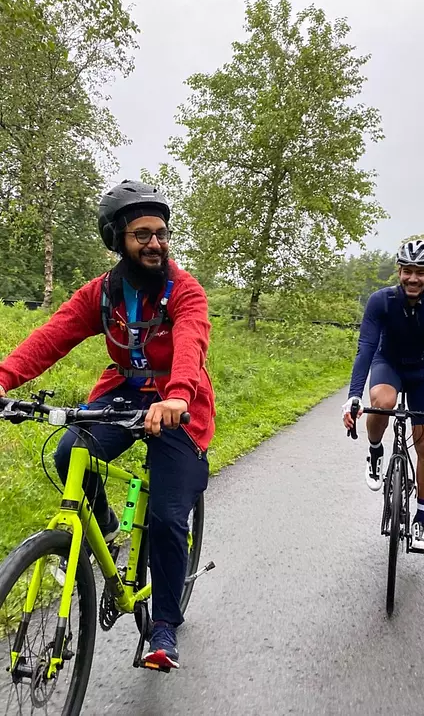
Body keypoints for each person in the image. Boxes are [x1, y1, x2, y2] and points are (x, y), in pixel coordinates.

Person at [0, 179, 216, 670]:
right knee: (68, 453)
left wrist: (179, 395)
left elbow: (191, 342)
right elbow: (51, 337)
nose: (156, 243)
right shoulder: (103, 294)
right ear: (116, 238)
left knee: (166, 515)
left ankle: (162, 627)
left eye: (161, 233)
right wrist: (3, 377)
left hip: (178, 403)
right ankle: (110, 529)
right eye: (143, 234)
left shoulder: (185, 291)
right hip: (122, 392)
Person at [342, 239, 424, 552]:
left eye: (421, 272)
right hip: (388, 362)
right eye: (407, 270)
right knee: (383, 402)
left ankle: (421, 518)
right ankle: (376, 450)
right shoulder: (381, 301)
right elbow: (366, 347)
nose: (412, 278)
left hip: (422, 370)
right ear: (398, 271)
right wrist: (354, 396)